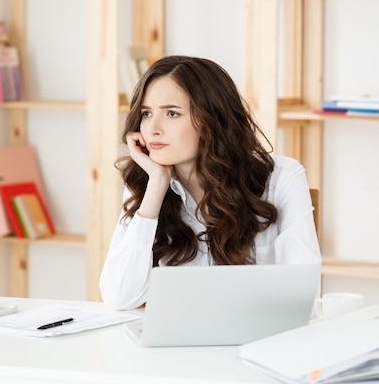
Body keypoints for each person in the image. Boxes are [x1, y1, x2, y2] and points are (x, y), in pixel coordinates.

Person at [99, 55, 321, 310]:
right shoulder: (147, 183)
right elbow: (119, 297)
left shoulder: (281, 178)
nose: (153, 129)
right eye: (146, 113)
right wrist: (157, 185)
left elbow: (304, 293)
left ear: (212, 118)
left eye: (172, 113)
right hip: (175, 346)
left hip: (256, 343)